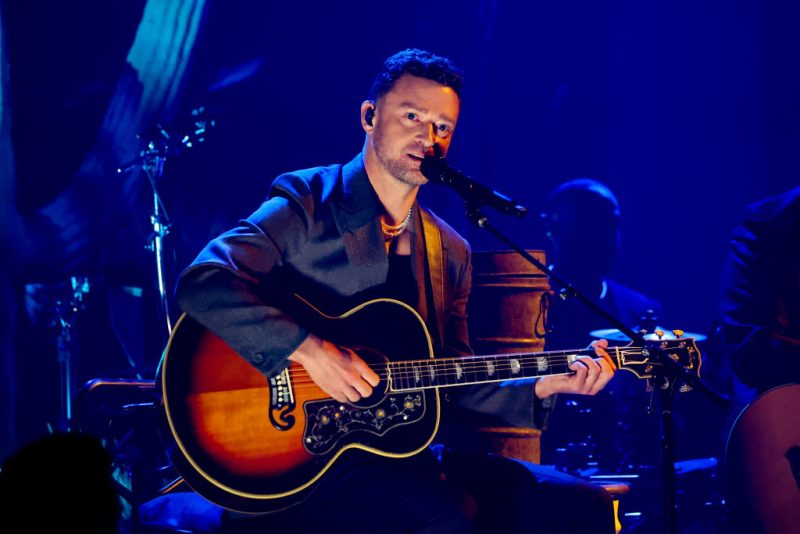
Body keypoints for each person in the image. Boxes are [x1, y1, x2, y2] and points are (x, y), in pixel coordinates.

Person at [174, 48, 616, 533]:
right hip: (297, 459)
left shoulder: (450, 250)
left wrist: (545, 383)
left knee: (576, 503)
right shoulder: (307, 202)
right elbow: (204, 282)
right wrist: (311, 352)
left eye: (442, 127)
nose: (428, 138)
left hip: (394, 450)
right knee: (449, 514)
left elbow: (452, 381)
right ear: (369, 116)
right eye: (412, 116)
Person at [538, 178, 663, 473]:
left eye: (610, 222)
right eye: (588, 224)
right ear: (553, 230)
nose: (603, 236)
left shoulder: (642, 310)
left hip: (625, 466)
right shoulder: (528, 306)